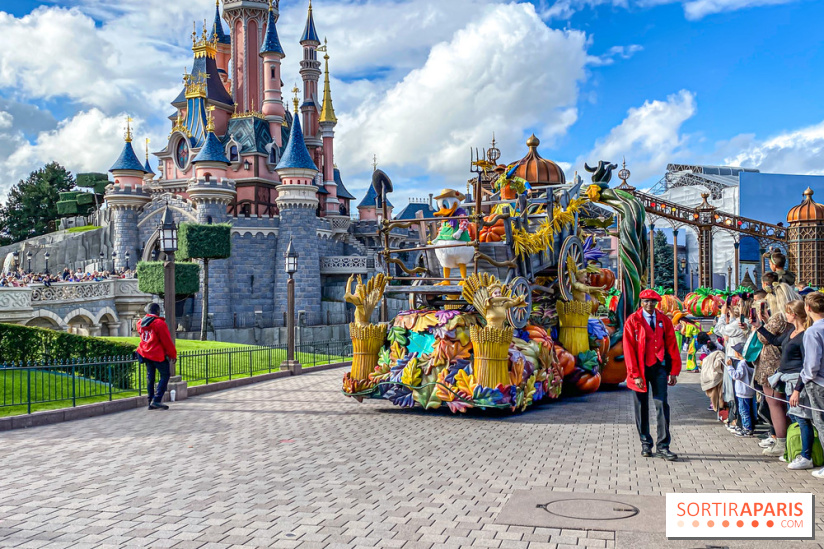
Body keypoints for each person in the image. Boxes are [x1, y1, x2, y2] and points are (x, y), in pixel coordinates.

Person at [623, 289, 682, 461]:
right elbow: (629, 349)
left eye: (652, 302)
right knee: (641, 406)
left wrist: (674, 370)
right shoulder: (633, 321)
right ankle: (645, 444)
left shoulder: (664, 320)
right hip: (640, 369)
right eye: (646, 301)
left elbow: (672, 345)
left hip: (659, 367)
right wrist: (635, 374)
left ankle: (663, 446)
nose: (649, 305)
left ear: (656, 303)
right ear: (641, 302)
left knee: (662, 404)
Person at [137, 303, 177, 410]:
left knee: (150, 376)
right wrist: (172, 354)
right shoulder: (159, 323)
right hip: (157, 354)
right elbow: (167, 341)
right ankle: (157, 399)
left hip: (145, 353)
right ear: (158, 311)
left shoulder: (140, 323)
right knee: (165, 375)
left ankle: (150, 400)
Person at [801, 292, 824, 478]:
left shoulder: (813, 331)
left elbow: (812, 362)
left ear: (808, 309)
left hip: (819, 383)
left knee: (821, 424)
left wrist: (807, 377)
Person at [726, 343, 755, 437]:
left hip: (742, 391)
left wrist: (729, 367)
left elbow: (736, 376)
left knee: (743, 411)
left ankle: (747, 428)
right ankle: (747, 427)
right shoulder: (748, 362)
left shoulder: (742, 364)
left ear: (738, 353)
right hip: (747, 391)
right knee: (746, 410)